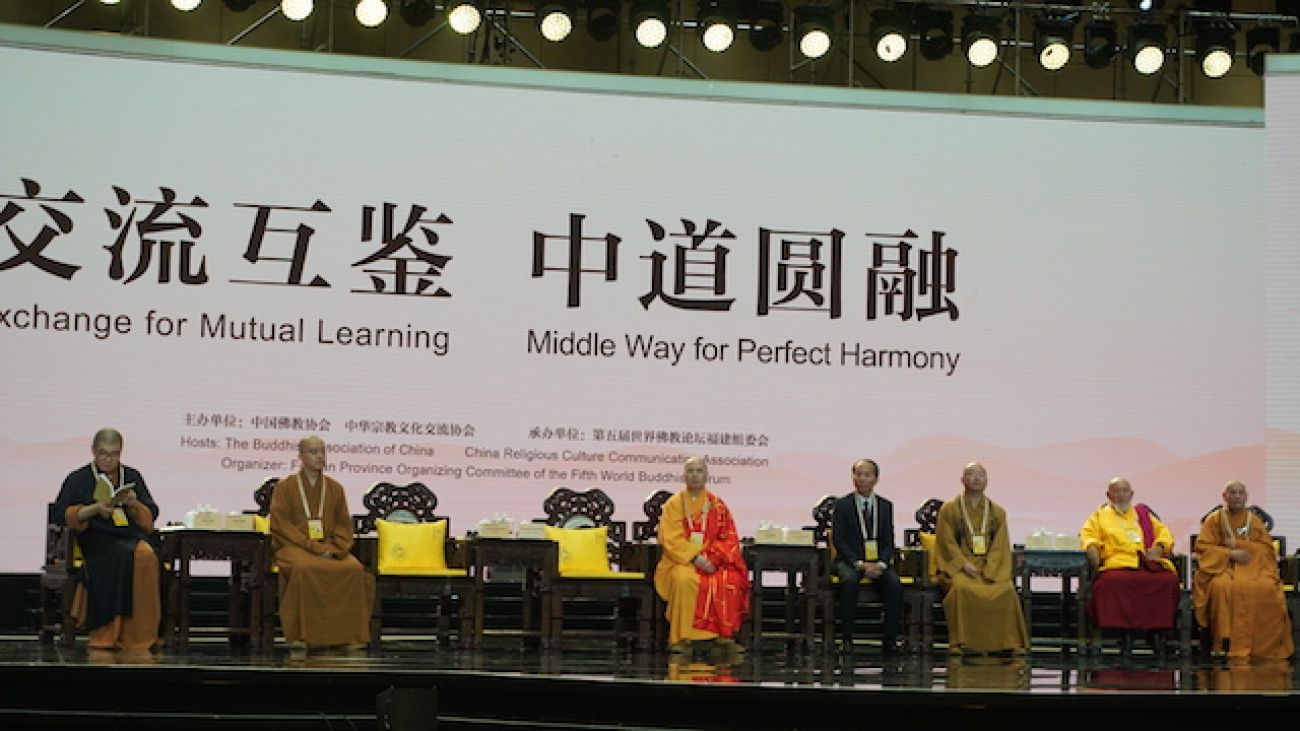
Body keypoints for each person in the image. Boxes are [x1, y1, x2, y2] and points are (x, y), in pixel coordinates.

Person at [53, 428, 161, 651]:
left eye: (114, 454)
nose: (108, 459)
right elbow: (61, 514)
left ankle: (140, 633)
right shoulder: (78, 478)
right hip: (96, 539)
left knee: (146, 554)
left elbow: (150, 513)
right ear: (94, 451)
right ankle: (109, 631)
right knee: (131, 554)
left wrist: (133, 503)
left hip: (130, 535)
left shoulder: (132, 476)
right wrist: (94, 509)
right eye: (104, 454)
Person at [270, 436, 374, 649]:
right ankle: (300, 636)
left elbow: (343, 523)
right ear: (300, 456)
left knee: (354, 569)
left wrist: (335, 548)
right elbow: (281, 523)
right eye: (313, 452)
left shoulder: (335, 488)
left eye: (322, 452)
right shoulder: (285, 487)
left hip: (329, 546)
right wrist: (311, 546)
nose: (319, 456)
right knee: (304, 568)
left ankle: (350, 636)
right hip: (295, 546)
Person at [654, 456, 750, 655]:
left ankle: (723, 638)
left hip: (713, 560)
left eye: (699, 471)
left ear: (706, 475)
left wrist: (714, 558)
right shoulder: (674, 504)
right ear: (684, 476)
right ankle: (681, 638)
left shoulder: (717, 505)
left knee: (729, 579)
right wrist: (695, 558)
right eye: (690, 471)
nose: (695, 475)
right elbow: (670, 539)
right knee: (684, 579)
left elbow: (728, 537)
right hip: (682, 560)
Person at [1192, 480, 1294, 659]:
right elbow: (1203, 548)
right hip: (1222, 568)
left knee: (1266, 588)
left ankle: (1260, 643)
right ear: (1225, 496)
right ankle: (1224, 640)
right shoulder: (1214, 519)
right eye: (1233, 493)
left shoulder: (1254, 521)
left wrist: (1239, 545)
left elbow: (1267, 550)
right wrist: (1229, 554)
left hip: (1253, 569)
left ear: (1246, 496)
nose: (1237, 496)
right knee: (1221, 586)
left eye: (1240, 493)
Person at [934, 462, 1027, 654]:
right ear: (962, 480)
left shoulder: (997, 512)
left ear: (987, 481)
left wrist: (990, 569)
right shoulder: (949, 509)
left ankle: (1010, 643)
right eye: (971, 474)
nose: (976, 479)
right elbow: (946, 542)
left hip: (987, 565)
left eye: (981, 475)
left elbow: (1000, 545)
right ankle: (960, 642)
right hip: (959, 566)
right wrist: (962, 563)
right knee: (961, 588)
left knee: (1006, 589)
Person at [1080, 477, 1180, 651]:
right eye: (1116, 491)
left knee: (1168, 581)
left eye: (1125, 491)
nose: (1121, 495)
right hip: (1117, 563)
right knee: (1111, 582)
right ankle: (1124, 632)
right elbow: (1089, 537)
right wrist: (1093, 551)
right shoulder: (1099, 515)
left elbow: (1164, 534)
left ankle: (1155, 632)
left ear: (1131, 494)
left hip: (1146, 562)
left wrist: (1159, 547)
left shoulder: (1142, 514)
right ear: (1108, 495)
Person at [831, 458, 903, 654]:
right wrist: (859, 564)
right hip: (850, 561)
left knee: (895, 585)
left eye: (867, 475)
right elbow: (839, 541)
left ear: (876, 479)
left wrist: (881, 564)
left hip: (878, 562)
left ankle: (890, 640)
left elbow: (888, 540)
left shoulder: (885, 506)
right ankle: (846, 638)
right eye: (858, 474)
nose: (862, 478)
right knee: (849, 581)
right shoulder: (842, 505)